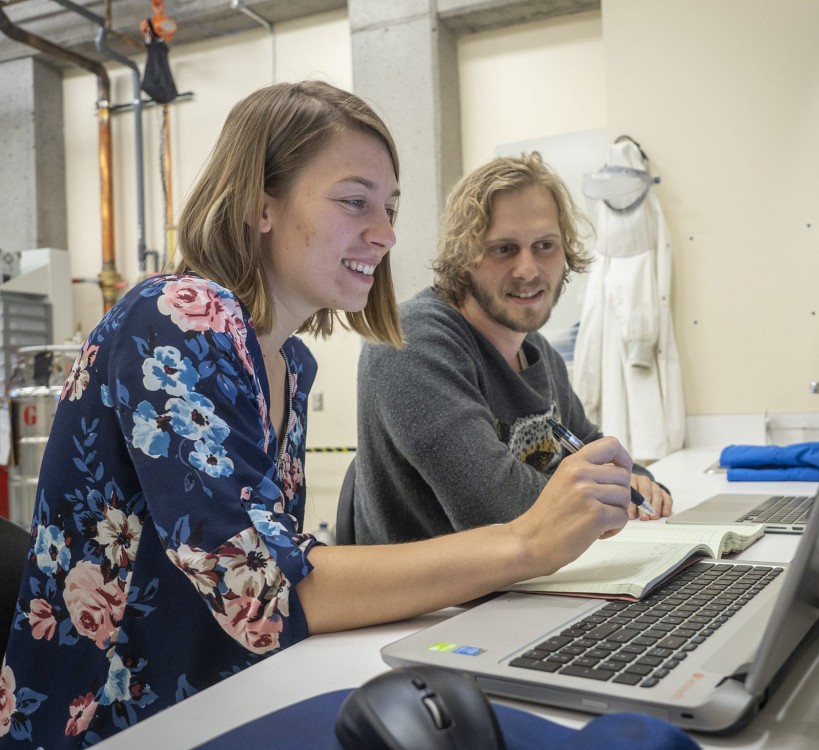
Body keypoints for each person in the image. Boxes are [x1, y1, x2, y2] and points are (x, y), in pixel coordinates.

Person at [0, 82, 637, 748]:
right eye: (355, 201)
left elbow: (276, 569)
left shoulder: (289, 364)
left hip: (223, 698)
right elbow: (264, 593)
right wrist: (525, 543)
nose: (386, 234)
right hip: (108, 727)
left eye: (390, 207)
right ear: (260, 204)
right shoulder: (178, 316)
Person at [352, 152, 672, 545]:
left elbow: (591, 448)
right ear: (463, 257)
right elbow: (497, 508)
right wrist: (604, 492)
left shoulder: (537, 350)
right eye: (503, 248)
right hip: (452, 587)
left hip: (537, 576)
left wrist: (634, 478)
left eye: (545, 245)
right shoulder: (411, 342)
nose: (528, 270)